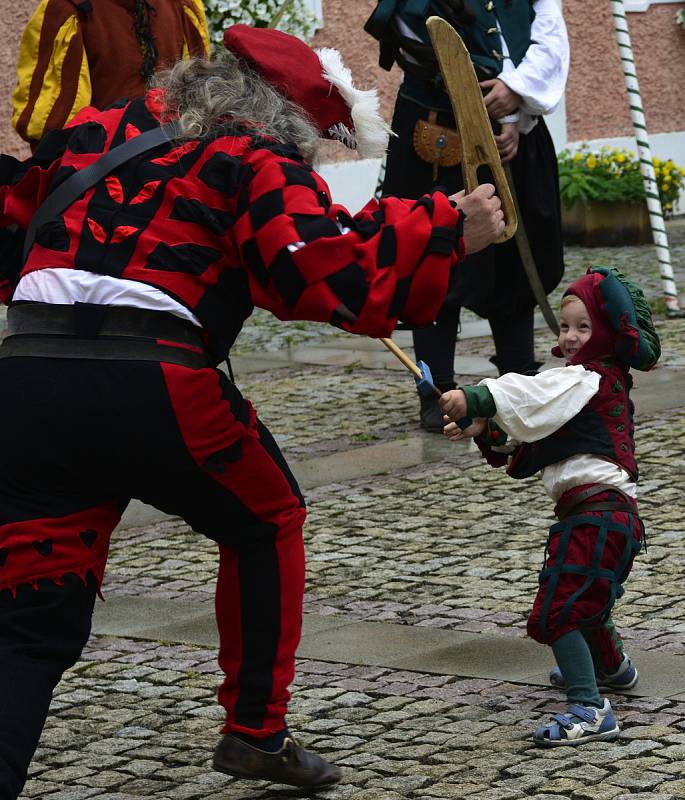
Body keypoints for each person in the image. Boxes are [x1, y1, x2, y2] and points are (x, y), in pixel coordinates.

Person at [0, 24, 505, 798]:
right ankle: (254, 731)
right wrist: (446, 227)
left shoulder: (95, 130)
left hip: (28, 380)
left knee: (30, 618)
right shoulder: (253, 157)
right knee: (266, 522)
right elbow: (321, 272)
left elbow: (12, 223)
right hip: (155, 385)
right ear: (285, 118)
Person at [440, 266, 660, 746]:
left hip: (598, 515)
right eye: (565, 326)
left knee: (560, 611)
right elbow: (535, 438)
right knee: (588, 604)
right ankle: (615, 671)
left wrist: (476, 397)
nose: (573, 336)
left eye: (584, 326)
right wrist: (482, 428)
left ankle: (588, 708)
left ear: (604, 329)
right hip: (608, 518)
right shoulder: (587, 385)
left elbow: (528, 393)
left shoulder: (586, 377)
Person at [365, 0, 569, 431]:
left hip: (517, 131)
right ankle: (436, 389)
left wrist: (517, 99)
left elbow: (549, 35)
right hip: (437, 136)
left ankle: (517, 378)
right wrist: (497, 102)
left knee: (514, 257)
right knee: (433, 251)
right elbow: (415, 34)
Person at [12, 0, 210, 147]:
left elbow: (196, 95)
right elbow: (52, 126)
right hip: (104, 173)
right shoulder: (69, 10)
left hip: (169, 165)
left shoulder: (183, 5)